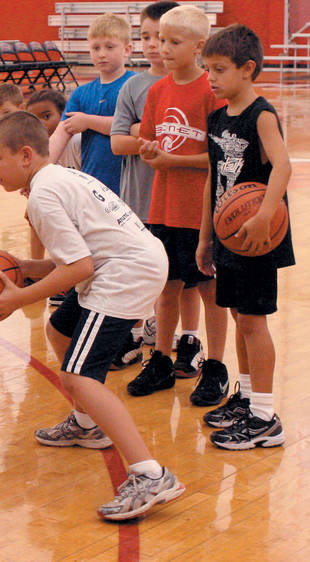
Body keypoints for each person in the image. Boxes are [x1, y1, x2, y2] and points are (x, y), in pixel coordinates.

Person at [0, 111, 185, 520]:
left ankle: (150, 474)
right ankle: (86, 423)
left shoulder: (43, 193)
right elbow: (76, 258)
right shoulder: (57, 176)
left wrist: (17, 299)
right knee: (61, 328)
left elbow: (79, 269)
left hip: (125, 272)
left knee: (78, 375)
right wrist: (20, 264)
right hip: (126, 261)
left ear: (25, 155)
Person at [126, 5, 229, 406]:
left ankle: (216, 367)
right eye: (159, 40)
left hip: (200, 210)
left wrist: (171, 160)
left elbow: (221, 157)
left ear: (199, 46)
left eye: (173, 42)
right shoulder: (157, 90)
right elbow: (149, 142)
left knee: (209, 288)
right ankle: (162, 360)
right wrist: (151, 151)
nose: (163, 48)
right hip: (162, 208)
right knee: (165, 288)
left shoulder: (211, 92)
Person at [197, 24, 294, 449]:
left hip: (258, 237)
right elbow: (212, 180)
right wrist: (204, 238)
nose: (211, 78)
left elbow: (283, 167)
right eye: (207, 70)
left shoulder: (262, 115)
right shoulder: (217, 118)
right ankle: (248, 397)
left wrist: (265, 216)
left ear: (247, 69)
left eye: (219, 69)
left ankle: (265, 418)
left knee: (254, 321)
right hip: (227, 238)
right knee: (239, 316)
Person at [109, 1, 191, 371]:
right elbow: (117, 142)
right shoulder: (134, 86)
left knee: (184, 281)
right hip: (140, 200)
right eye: (145, 36)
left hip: (183, 201)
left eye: (162, 37)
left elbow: (180, 142)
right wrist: (146, 137)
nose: (154, 44)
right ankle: (134, 335)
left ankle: (185, 340)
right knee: (141, 274)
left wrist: (142, 132)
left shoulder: (194, 85)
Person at [48, 13, 136, 195]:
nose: (102, 54)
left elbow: (131, 127)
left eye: (110, 47)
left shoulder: (136, 85)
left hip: (130, 184)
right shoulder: (81, 93)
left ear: (127, 50)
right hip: (93, 183)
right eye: (96, 48)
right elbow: (60, 135)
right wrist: (40, 171)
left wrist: (88, 122)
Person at [26, 88, 82, 305]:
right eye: (35, 118)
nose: (40, 123)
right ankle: (50, 277)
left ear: (63, 116)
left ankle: (71, 282)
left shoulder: (76, 142)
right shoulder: (35, 151)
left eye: (46, 116)